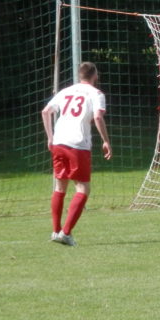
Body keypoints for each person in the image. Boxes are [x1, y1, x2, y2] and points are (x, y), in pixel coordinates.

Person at [41, 62, 113, 246]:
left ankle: (55, 231)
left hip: (59, 142)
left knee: (60, 187)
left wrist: (50, 137)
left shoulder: (65, 91)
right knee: (83, 189)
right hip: (78, 145)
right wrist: (106, 141)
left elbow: (46, 111)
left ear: (80, 75)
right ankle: (65, 233)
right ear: (95, 75)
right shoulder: (96, 94)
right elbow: (97, 116)